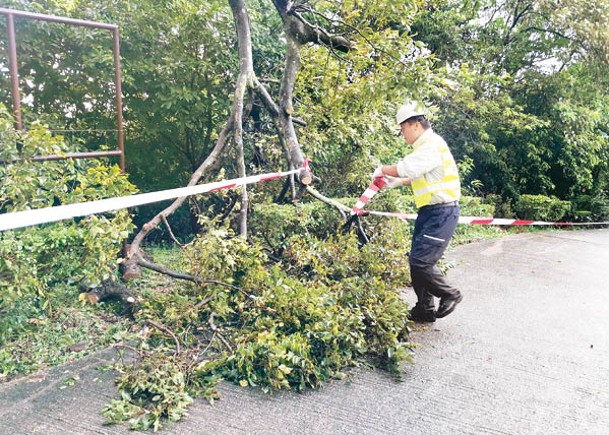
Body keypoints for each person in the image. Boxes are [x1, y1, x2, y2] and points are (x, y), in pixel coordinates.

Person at [373, 101, 462, 323]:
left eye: (402, 129)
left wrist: (383, 170)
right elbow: (419, 176)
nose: (402, 135)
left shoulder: (430, 144)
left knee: (422, 261)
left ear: (414, 125)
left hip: (442, 212)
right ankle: (425, 308)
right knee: (415, 260)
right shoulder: (425, 146)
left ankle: (450, 294)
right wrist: (396, 182)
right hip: (430, 212)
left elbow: (408, 167)